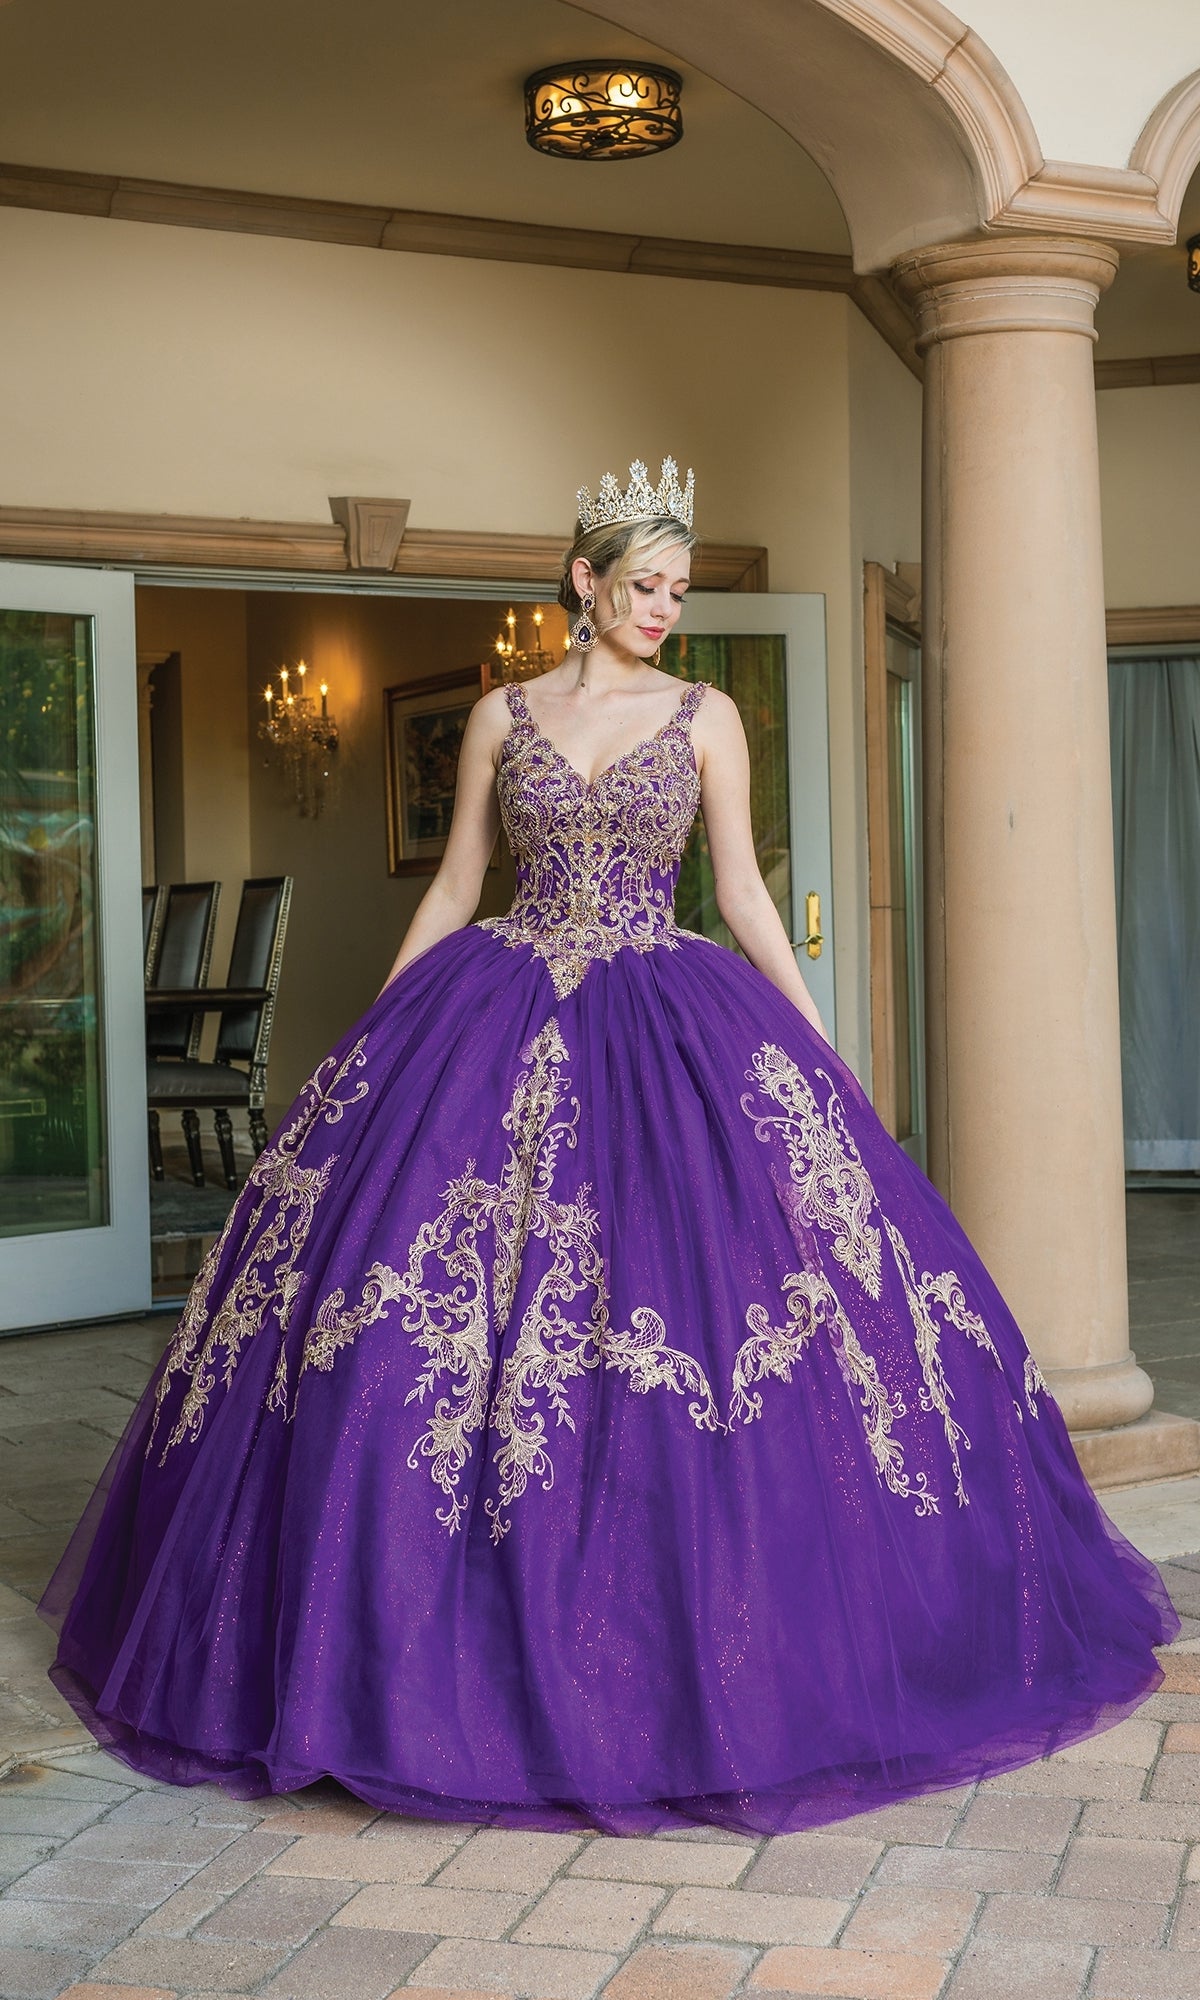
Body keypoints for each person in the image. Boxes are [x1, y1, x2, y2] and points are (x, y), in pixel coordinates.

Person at [42, 456, 1175, 1836]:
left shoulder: (703, 719)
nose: (664, 609)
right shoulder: (497, 716)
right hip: (495, 1007)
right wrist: (371, 1052)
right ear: (583, 581)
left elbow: (746, 892)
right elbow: (462, 882)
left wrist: (816, 1053)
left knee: (681, 1308)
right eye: (645, 585)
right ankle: (407, 1661)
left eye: (681, 590)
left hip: (663, 1010)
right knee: (420, 1328)